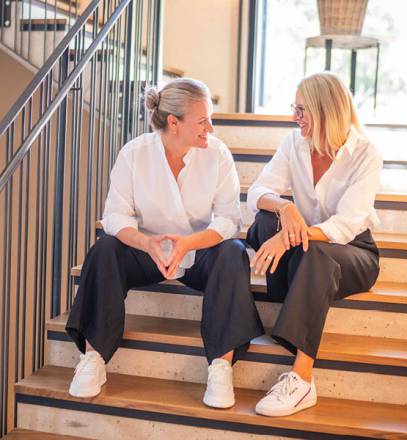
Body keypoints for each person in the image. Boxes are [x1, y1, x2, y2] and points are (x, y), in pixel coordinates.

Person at [66, 78, 264, 408]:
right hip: (148, 254)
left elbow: (229, 219)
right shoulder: (134, 154)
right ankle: (94, 357)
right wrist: (145, 244)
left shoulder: (218, 155)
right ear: (174, 123)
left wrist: (189, 243)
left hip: (199, 255)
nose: (210, 128)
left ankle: (221, 364)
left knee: (233, 252)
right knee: (104, 248)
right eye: (203, 121)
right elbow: (115, 216)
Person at [246, 72, 382, 417]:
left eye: (302, 110)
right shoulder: (294, 143)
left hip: (353, 250)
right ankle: (293, 288)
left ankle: (302, 379)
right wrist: (286, 208)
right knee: (265, 218)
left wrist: (287, 236)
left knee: (319, 254)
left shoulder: (365, 154)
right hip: (307, 244)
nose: (295, 117)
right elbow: (258, 191)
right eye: (295, 109)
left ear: (324, 111)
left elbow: (347, 224)